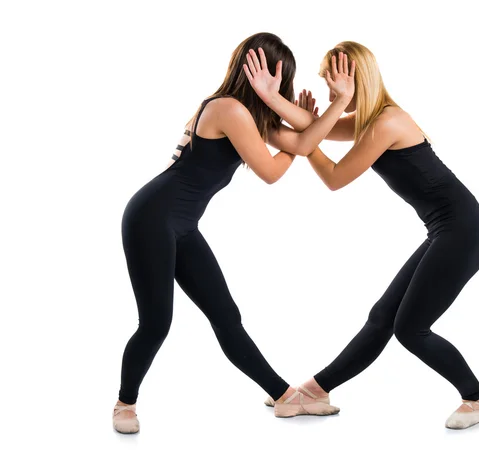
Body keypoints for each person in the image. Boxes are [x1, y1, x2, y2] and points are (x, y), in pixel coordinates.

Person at [112, 32, 356, 433]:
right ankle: (124, 404)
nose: (283, 89)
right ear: (263, 72)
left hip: (182, 224)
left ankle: (283, 396)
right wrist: (308, 124)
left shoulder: (246, 114)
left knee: (226, 316)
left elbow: (302, 140)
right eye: (282, 79)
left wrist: (321, 111)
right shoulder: (229, 110)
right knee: (156, 323)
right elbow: (275, 171)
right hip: (150, 219)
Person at [246, 41, 479, 430]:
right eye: (329, 88)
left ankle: (477, 399)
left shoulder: (386, 123)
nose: (332, 96)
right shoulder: (370, 119)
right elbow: (316, 129)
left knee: (410, 330)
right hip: (446, 230)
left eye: (337, 87)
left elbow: (332, 177)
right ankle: (316, 391)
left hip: (464, 231)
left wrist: (304, 133)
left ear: (357, 81)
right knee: (383, 317)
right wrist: (277, 101)